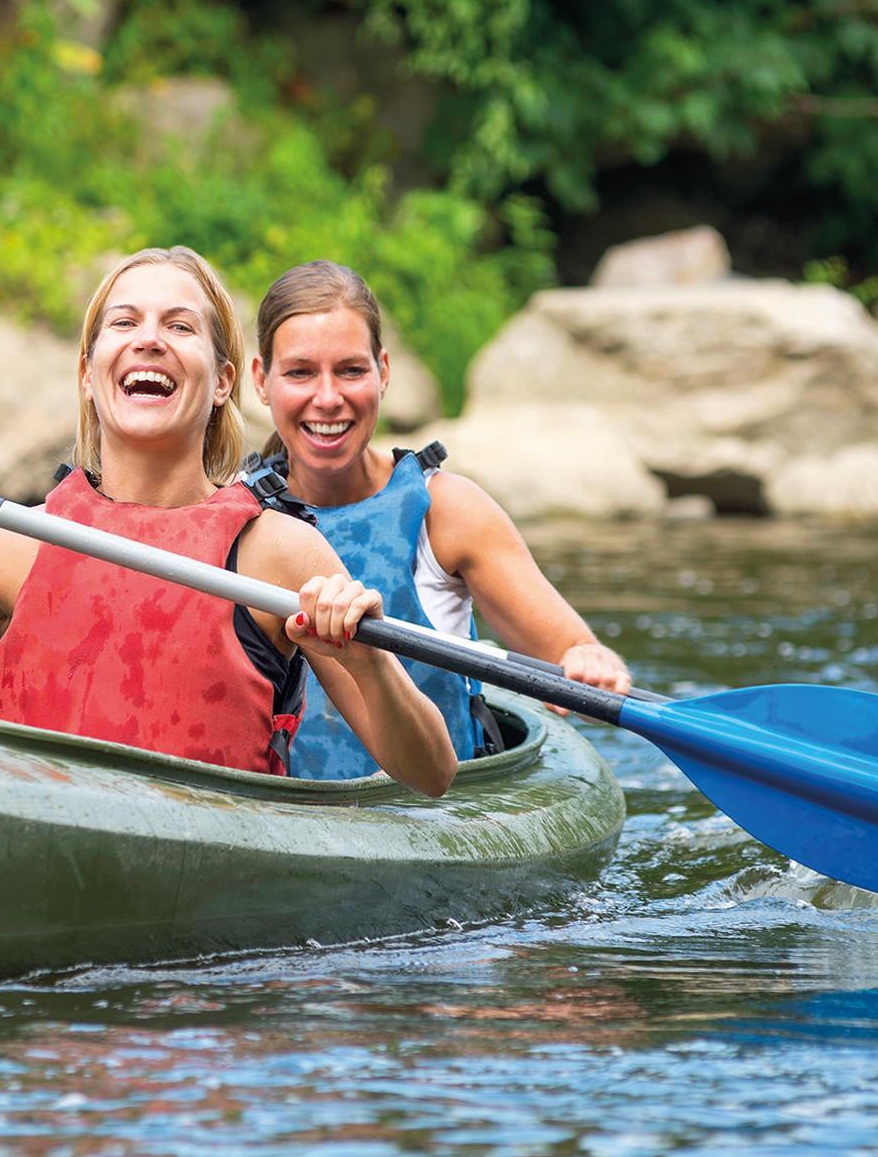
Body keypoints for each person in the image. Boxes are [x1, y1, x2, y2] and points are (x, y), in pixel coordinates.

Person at [0, 247, 457, 794]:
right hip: (33, 858)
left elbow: (432, 776)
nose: (149, 341)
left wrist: (369, 665)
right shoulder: (10, 548)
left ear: (222, 382)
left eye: (179, 326)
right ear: (88, 372)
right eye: (124, 324)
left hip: (212, 930)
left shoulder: (278, 554)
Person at [249, 259, 631, 779]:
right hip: (284, 816)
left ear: (384, 372)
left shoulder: (447, 511)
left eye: (351, 370)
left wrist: (591, 663)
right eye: (300, 372)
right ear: (260, 379)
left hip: (435, 814)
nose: (328, 397)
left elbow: (573, 662)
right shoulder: (236, 515)